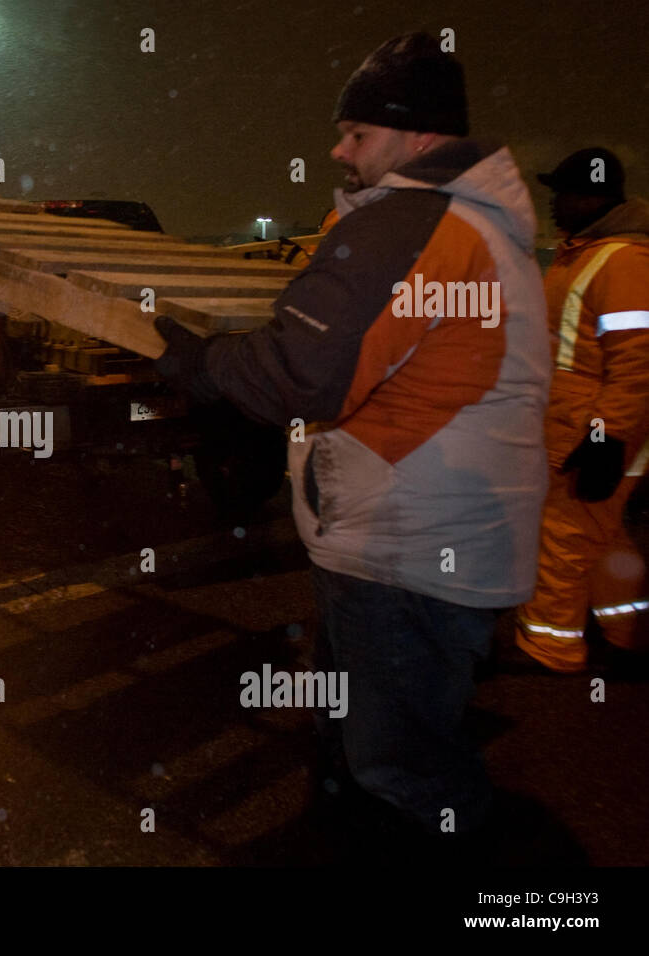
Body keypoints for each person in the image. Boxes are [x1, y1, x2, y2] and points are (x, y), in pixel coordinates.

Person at [154, 33, 550, 847]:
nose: (338, 149)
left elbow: (303, 374)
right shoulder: (470, 222)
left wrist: (198, 363)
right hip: (413, 531)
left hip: (406, 548)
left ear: (420, 137)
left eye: (358, 133)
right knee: (368, 732)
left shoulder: (416, 222)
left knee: (402, 764)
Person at [514, 148, 649, 673]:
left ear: (593, 198)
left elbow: (638, 362)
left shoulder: (623, 262)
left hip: (594, 434)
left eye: (562, 194)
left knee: (564, 539)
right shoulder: (590, 254)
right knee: (602, 534)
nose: (553, 204)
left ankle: (550, 647)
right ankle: (625, 627)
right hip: (585, 429)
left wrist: (606, 437)